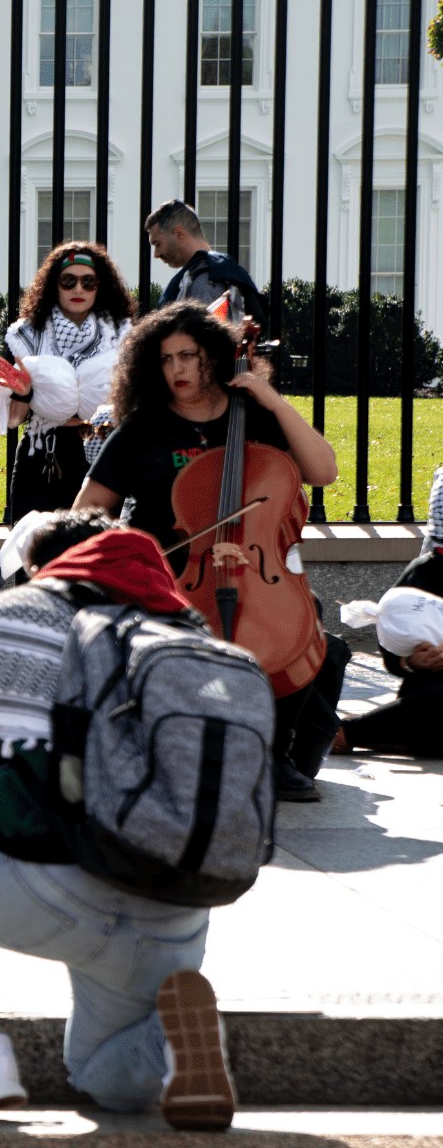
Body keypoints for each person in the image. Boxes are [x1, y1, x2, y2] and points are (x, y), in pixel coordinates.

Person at [0, 512, 238, 1130]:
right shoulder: (182, 629)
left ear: (38, 569)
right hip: (178, 907)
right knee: (105, 1078)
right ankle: (176, 1038)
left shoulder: (11, 616)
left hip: (55, 884)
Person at [73, 300, 340, 801]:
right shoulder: (142, 429)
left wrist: (273, 400)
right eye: (167, 358)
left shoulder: (256, 419)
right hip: (174, 571)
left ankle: (272, 753)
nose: (178, 369)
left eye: (190, 356)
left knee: (301, 624)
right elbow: (87, 511)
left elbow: (323, 472)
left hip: (253, 566)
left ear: (215, 357)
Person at [0, 242, 136, 518]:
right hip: (44, 455)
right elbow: (13, 420)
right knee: (34, 551)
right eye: (68, 281)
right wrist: (24, 393)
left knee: (95, 551)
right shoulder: (25, 336)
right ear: (53, 285)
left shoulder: (123, 335)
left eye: (88, 282)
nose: (78, 289)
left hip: (102, 451)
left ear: (100, 286)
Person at [334, 539, 443, 758]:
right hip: (430, 692)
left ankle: (397, 738)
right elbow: (392, 651)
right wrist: (411, 662)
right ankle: (347, 733)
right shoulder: (428, 570)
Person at [146, 199, 266, 324]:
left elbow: (205, 340)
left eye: (158, 244)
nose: (156, 254)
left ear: (179, 234)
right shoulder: (220, 271)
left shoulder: (206, 282)